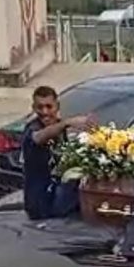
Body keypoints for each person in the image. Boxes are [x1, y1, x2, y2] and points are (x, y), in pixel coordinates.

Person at [22, 86, 90, 220]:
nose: (44, 112)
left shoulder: (60, 129)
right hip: (40, 204)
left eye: (49, 106)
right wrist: (67, 123)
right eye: (39, 107)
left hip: (60, 201)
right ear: (33, 108)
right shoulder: (33, 128)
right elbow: (38, 138)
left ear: (57, 106)